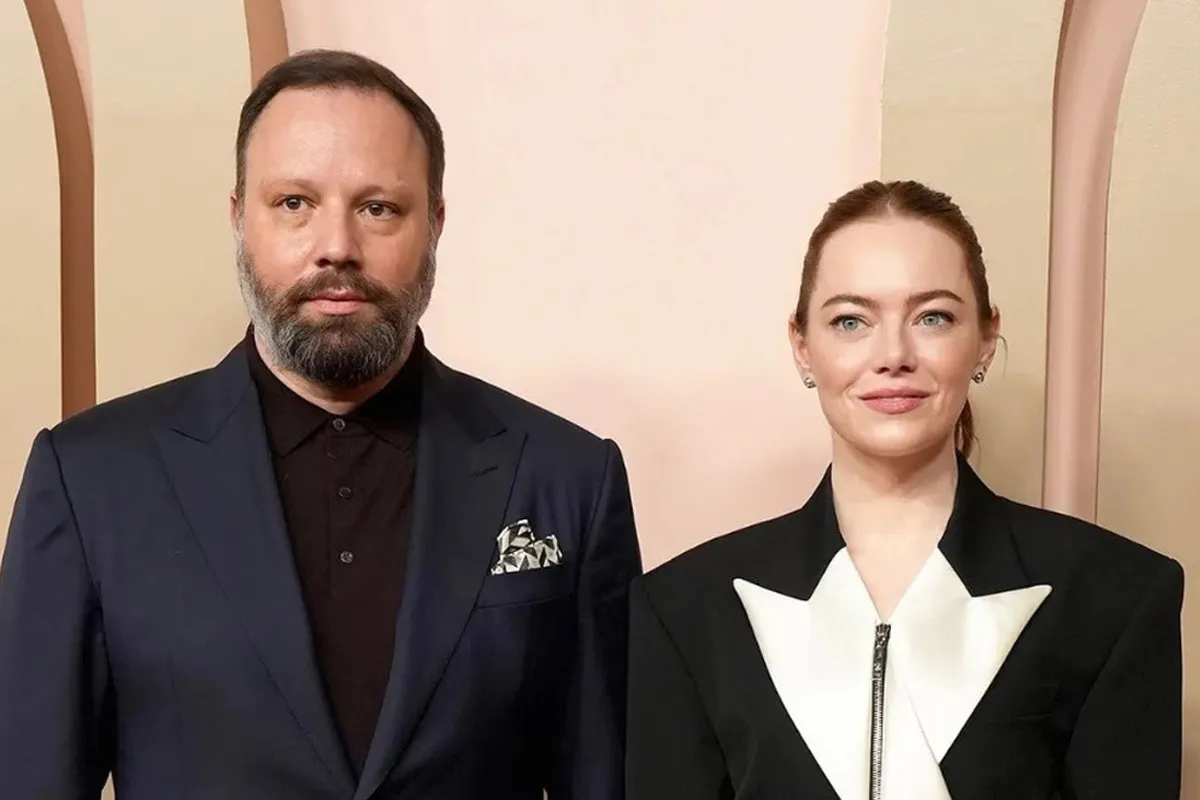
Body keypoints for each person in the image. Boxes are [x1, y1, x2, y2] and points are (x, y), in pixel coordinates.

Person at [0, 49, 642, 799]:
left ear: (434, 225)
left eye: (378, 208)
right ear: (239, 218)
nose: (337, 246)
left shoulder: (568, 478)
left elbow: (611, 777)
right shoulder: (88, 481)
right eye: (294, 203)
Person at [625, 179, 1184, 799]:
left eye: (933, 317)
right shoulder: (685, 608)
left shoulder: (1116, 596)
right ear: (802, 347)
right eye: (851, 321)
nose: (893, 354)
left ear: (986, 338)